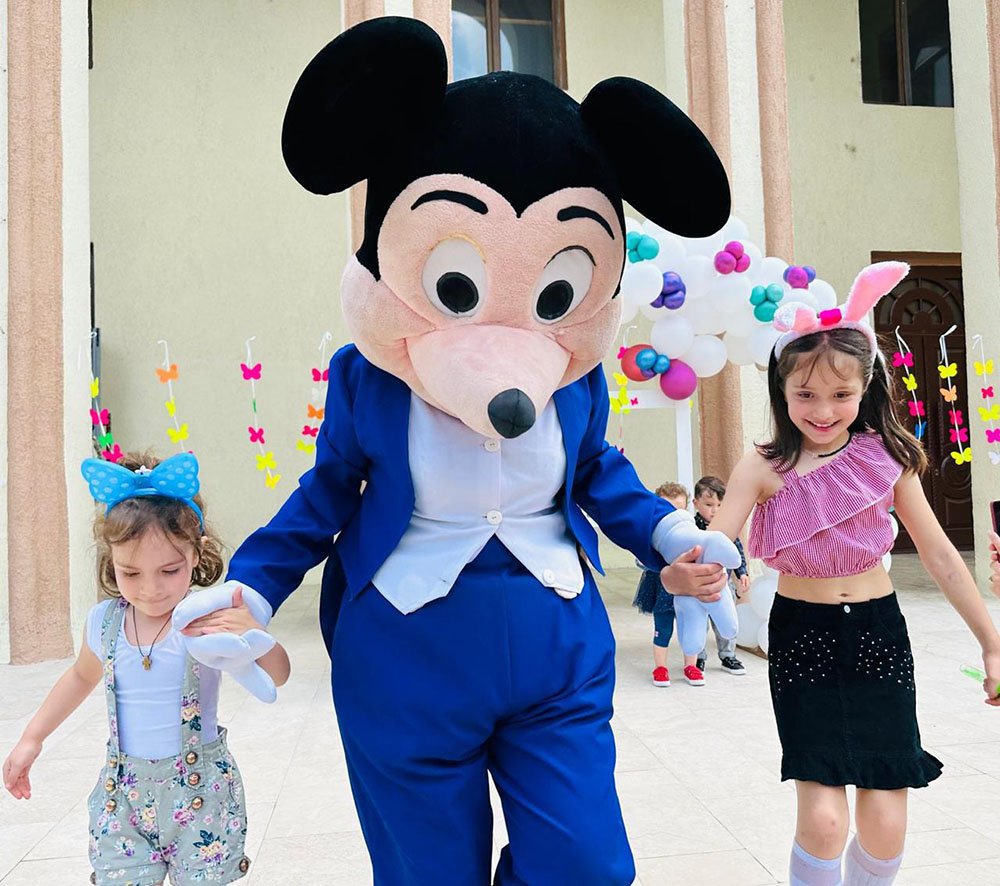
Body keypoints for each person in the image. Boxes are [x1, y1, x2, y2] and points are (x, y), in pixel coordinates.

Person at [710, 262, 1000, 886]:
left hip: (877, 634)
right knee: (822, 819)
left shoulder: (888, 456)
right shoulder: (761, 465)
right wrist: (695, 567)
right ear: (782, 390)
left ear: (865, 387)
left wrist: (992, 643)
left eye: (841, 395)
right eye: (805, 394)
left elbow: (942, 557)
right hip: (802, 636)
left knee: (886, 818)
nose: (823, 410)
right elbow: (716, 543)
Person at [1, 452, 290, 886]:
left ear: (196, 554)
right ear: (111, 561)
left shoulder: (206, 619)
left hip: (201, 795)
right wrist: (32, 737)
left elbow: (278, 675)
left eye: (169, 570)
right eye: (130, 573)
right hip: (123, 799)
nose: (150, 589)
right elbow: (80, 677)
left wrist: (254, 633)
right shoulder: (104, 623)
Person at [633, 483, 705, 686]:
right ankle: (660, 667)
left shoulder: (692, 531)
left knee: (689, 625)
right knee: (662, 628)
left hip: (686, 587)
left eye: (678, 510)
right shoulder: (652, 532)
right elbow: (640, 559)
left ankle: (691, 666)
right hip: (661, 586)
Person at [692, 475, 750, 676]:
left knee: (725, 619)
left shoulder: (727, 526)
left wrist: (742, 573)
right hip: (698, 585)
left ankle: (728, 655)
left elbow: (737, 549)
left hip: (723, 584)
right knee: (698, 622)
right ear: (696, 503)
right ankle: (697, 657)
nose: (714, 510)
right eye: (709, 505)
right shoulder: (692, 527)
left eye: (719, 505)